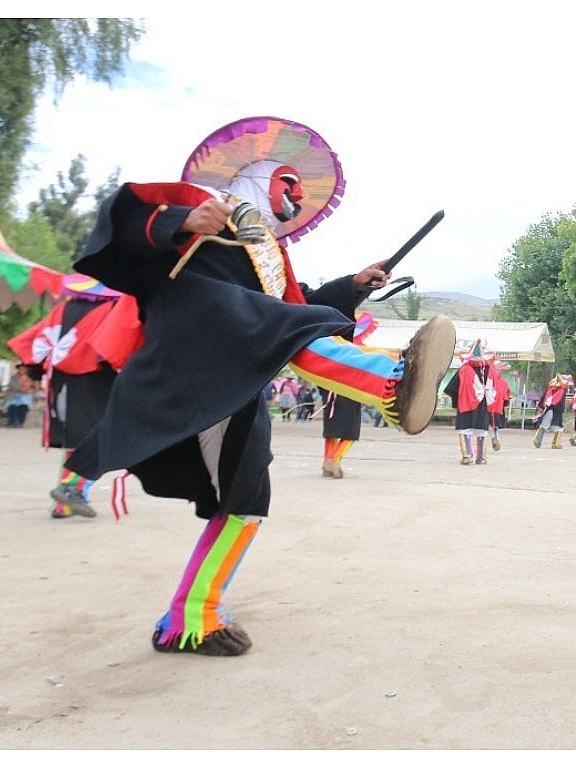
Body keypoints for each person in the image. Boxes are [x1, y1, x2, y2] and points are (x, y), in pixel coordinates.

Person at [59, 116, 456, 657]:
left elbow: (297, 309)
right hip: (194, 348)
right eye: (286, 182)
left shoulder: (269, 255)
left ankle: (189, 620)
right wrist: (181, 219)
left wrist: (351, 285)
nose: (296, 194)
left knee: (247, 500)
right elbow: (117, 228)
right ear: (253, 179)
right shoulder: (201, 212)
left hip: (235, 376)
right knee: (278, 324)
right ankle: (392, 383)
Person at [8, 273, 138, 519]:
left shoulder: (63, 309)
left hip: (61, 383)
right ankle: (72, 489)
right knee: (99, 438)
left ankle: (64, 504)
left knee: (76, 442)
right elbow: (121, 345)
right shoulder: (113, 309)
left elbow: (41, 340)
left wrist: (34, 373)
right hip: (96, 380)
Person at [444, 340, 499, 465]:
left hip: (466, 404)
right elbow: (497, 388)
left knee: (465, 429)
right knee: (482, 430)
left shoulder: (464, 369)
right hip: (483, 405)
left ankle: (467, 455)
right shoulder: (490, 370)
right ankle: (481, 457)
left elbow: (452, 388)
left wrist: (455, 401)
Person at [532, 374, 571, 449]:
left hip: (547, 409)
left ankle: (537, 439)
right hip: (556, 411)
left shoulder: (550, 390)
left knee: (544, 425)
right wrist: (562, 410)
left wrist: (541, 407)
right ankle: (555, 443)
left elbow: (543, 400)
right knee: (559, 428)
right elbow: (560, 403)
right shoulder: (562, 391)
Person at [1, 363, 37, 428]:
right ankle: (11, 423)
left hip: (25, 396)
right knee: (13, 406)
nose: (23, 370)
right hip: (14, 395)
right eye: (21, 369)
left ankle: (20, 422)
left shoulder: (29, 378)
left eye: (24, 369)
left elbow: (32, 387)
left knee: (24, 407)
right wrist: (22, 389)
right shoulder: (13, 378)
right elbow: (13, 386)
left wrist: (30, 388)